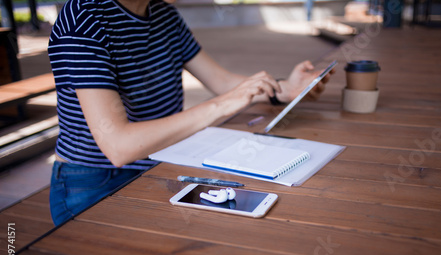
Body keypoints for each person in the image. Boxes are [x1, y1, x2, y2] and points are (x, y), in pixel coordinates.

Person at [47, 0, 335, 226]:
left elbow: (220, 81)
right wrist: (223, 104)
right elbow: (119, 146)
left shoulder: (163, 14)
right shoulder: (83, 22)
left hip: (160, 164)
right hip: (94, 182)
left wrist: (284, 89)